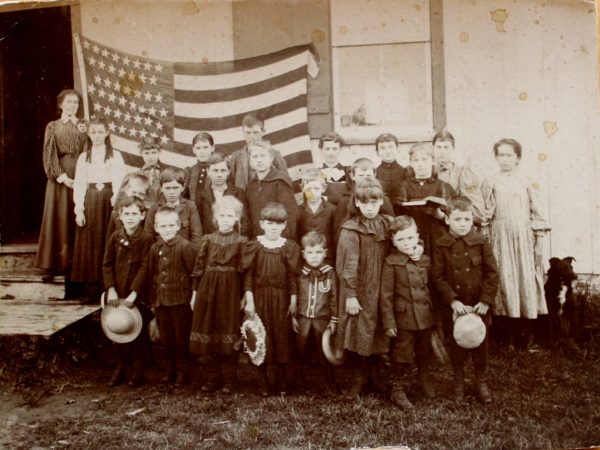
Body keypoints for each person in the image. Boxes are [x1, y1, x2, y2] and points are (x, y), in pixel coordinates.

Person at [481, 139, 550, 351]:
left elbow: (537, 212)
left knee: (525, 281)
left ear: (518, 158)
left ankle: (526, 336)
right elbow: (486, 214)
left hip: (523, 237)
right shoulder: (490, 181)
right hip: (499, 237)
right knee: (505, 282)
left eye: (509, 155)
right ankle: (506, 338)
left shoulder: (526, 181)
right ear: (496, 157)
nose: (505, 159)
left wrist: (538, 243)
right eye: (501, 155)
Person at [431, 196, 499, 402]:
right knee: (456, 344)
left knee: (480, 344)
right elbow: (437, 276)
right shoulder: (441, 244)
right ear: (448, 220)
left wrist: (486, 300)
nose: (463, 224)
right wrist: (452, 301)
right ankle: (458, 380)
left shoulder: (481, 241)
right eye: (458, 219)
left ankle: (481, 381)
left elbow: (492, 273)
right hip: (455, 307)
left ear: (472, 220)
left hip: (478, 305)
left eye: (467, 220)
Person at [335, 179, 393, 400]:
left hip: (382, 287)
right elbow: (347, 266)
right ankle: (359, 378)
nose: (370, 207)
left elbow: (405, 238)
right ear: (357, 203)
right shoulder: (351, 229)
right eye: (365, 202)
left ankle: (376, 376)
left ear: (381, 201)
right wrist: (350, 295)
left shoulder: (388, 223)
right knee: (359, 331)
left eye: (374, 202)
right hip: (360, 289)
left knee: (378, 329)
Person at [130, 207, 198, 386]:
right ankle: (169, 371)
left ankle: (183, 373)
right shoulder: (155, 248)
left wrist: (192, 298)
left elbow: (194, 274)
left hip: (180, 301)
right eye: (163, 226)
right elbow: (152, 274)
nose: (167, 229)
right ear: (156, 228)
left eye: (170, 225)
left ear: (178, 226)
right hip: (161, 301)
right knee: (166, 338)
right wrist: (154, 300)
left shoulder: (185, 247)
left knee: (180, 338)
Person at [242, 203, 301, 396]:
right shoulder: (255, 246)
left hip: (282, 298)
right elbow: (249, 276)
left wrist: (293, 301)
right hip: (260, 298)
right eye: (269, 223)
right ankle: (263, 381)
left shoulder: (289, 247)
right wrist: (250, 300)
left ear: (284, 225)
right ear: (262, 224)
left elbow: (293, 277)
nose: (274, 227)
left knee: (282, 337)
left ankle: (282, 382)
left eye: (278, 224)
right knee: (260, 336)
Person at [190, 196, 248, 394]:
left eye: (229, 216)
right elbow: (198, 269)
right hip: (208, 290)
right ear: (215, 218)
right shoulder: (208, 239)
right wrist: (194, 294)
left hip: (230, 292)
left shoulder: (241, 242)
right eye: (221, 215)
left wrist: (244, 296)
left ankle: (230, 379)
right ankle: (211, 377)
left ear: (236, 218)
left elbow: (244, 273)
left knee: (228, 330)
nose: (225, 219)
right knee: (210, 330)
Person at [380, 215, 436, 410]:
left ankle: (424, 379)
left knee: (423, 351)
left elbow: (431, 288)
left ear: (417, 237)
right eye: (401, 239)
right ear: (393, 241)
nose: (406, 243)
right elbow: (385, 296)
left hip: (425, 315)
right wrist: (389, 323)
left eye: (410, 238)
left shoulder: (424, 259)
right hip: (403, 318)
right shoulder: (391, 263)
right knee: (401, 353)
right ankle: (397, 388)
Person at [36, 89, 88, 286]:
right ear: (60, 105)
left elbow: (86, 151)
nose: (72, 105)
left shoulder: (84, 126)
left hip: (80, 173)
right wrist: (63, 178)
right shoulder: (53, 127)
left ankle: (72, 267)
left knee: (75, 217)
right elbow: (49, 155)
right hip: (60, 177)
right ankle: (51, 265)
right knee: (56, 218)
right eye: (69, 102)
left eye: (75, 102)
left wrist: (81, 176)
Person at [102, 196, 155, 387]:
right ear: (120, 216)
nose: (130, 218)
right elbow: (107, 264)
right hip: (118, 292)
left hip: (137, 294)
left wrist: (134, 293)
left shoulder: (146, 239)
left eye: (134, 214)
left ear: (142, 216)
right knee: (118, 328)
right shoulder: (115, 237)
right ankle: (121, 366)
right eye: (126, 214)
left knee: (138, 332)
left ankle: (139, 367)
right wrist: (111, 289)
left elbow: (145, 268)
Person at [71, 118, 126, 302]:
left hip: (108, 200)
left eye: (100, 132)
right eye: (93, 132)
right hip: (91, 200)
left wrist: (115, 201)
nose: (97, 135)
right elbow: (79, 183)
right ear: (88, 134)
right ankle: (92, 288)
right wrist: (79, 209)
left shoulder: (114, 155)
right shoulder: (83, 157)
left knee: (107, 241)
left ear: (107, 133)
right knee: (90, 243)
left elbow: (119, 180)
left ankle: (108, 287)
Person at [292, 231, 338, 390]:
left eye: (318, 252)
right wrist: (293, 317)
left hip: (322, 319)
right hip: (303, 318)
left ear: (325, 253)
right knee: (299, 349)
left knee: (324, 350)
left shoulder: (330, 273)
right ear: (303, 254)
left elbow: (334, 297)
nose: (314, 256)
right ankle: (297, 380)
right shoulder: (300, 274)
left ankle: (330, 381)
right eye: (310, 253)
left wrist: (334, 320)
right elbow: (295, 296)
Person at [397, 143, 456, 257]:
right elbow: (399, 214)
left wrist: (439, 214)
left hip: (438, 235)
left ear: (433, 161)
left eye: (424, 159)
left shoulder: (442, 186)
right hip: (413, 235)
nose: (420, 164)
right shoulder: (404, 186)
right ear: (411, 163)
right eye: (416, 160)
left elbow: (454, 216)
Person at [333, 158, 394, 243]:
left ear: (375, 175)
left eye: (368, 176)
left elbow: (393, 226)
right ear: (352, 176)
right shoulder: (345, 200)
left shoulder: (382, 199)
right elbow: (338, 232)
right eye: (361, 176)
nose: (365, 179)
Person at [245, 140, 298, 240]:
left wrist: (283, 242)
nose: (259, 160)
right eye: (255, 157)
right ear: (250, 160)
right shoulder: (251, 184)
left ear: (271, 158)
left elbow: (290, 216)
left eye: (263, 156)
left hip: (278, 241)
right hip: (258, 241)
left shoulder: (280, 181)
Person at [432, 129, 485, 225]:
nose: (442, 151)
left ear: (453, 148)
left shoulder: (463, 173)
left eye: (446, 147)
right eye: (438, 147)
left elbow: (474, 206)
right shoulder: (428, 171)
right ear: (433, 148)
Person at [228, 114, 288, 190]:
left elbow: (285, 180)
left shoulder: (275, 154)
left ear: (263, 132)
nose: (252, 137)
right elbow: (231, 183)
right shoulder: (236, 157)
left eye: (255, 132)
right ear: (243, 132)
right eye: (248, 133)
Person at [144, 167, 203, 245]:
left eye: (175, 188)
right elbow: (148, 236)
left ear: (182, 188)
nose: (171, 192)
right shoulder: (154, 209)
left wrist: (190, 253)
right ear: (161, 188)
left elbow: (196, 237)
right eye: (167, 188)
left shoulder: (190, 206)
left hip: (184, 252)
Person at [197, 153, 249, 236]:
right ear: (208, 171)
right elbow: (198, 225)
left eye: (223, 170)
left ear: (228, 171)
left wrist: (239, 243)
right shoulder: (201, 195)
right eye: (215, 170)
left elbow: (245, 222)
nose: (219, 175)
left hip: (234, 242)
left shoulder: (238, 193)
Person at [297, 168, 336, 264]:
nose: (313, 193)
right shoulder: (298, 210)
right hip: (305, 260)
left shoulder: (332, 210)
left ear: (324, 188)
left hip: (326, 259)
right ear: (302, 188)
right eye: (308, 189)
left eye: (317, 188)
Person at [106, 173, 151, 239]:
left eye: (141, 194)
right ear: (127, 191)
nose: (136, 196)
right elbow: (109, 239)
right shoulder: (116, 214)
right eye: (133, 192)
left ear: (146, 196)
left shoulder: (147, 215)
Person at [375, 133, 409, 214]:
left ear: (397, 149)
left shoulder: (405, 172)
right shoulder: (375, 173)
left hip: (403, 213)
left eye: (390, 147)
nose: (387, 151)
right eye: (383, 148)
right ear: (377, 152)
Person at [184, 132, 215, 213]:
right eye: (198, 148)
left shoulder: (219, 170)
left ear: (212, 148)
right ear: (193, 149)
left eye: (205, 147)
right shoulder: (189, 172)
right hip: (194, 215)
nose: (202, 151)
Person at [319, 132, 349, 205]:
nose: (331, 153)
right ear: (321, 150)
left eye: (334, 149)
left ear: (340, 149)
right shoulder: (316, 173)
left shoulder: (348, 172)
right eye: (327, 149)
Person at [137, 136, 165, 206]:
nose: (150, 156)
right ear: (141, 154)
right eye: (146, 153)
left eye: (154, 152)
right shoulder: (137, 174)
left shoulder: (166, 172)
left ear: (159, 152)